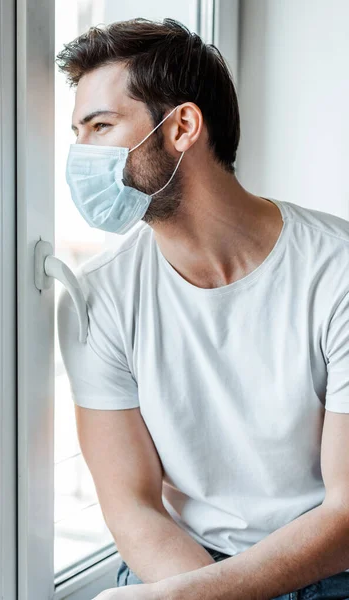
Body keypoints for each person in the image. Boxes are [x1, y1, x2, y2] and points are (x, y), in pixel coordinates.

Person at [55, 17, 349, 600]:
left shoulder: (336, 273)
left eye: (101, 126)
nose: (79, 157)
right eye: (76, 133)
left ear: (182, 126)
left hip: (328, 571)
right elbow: (132, 504)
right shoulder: (98, 299)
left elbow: (347, 515)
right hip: (180, 567)